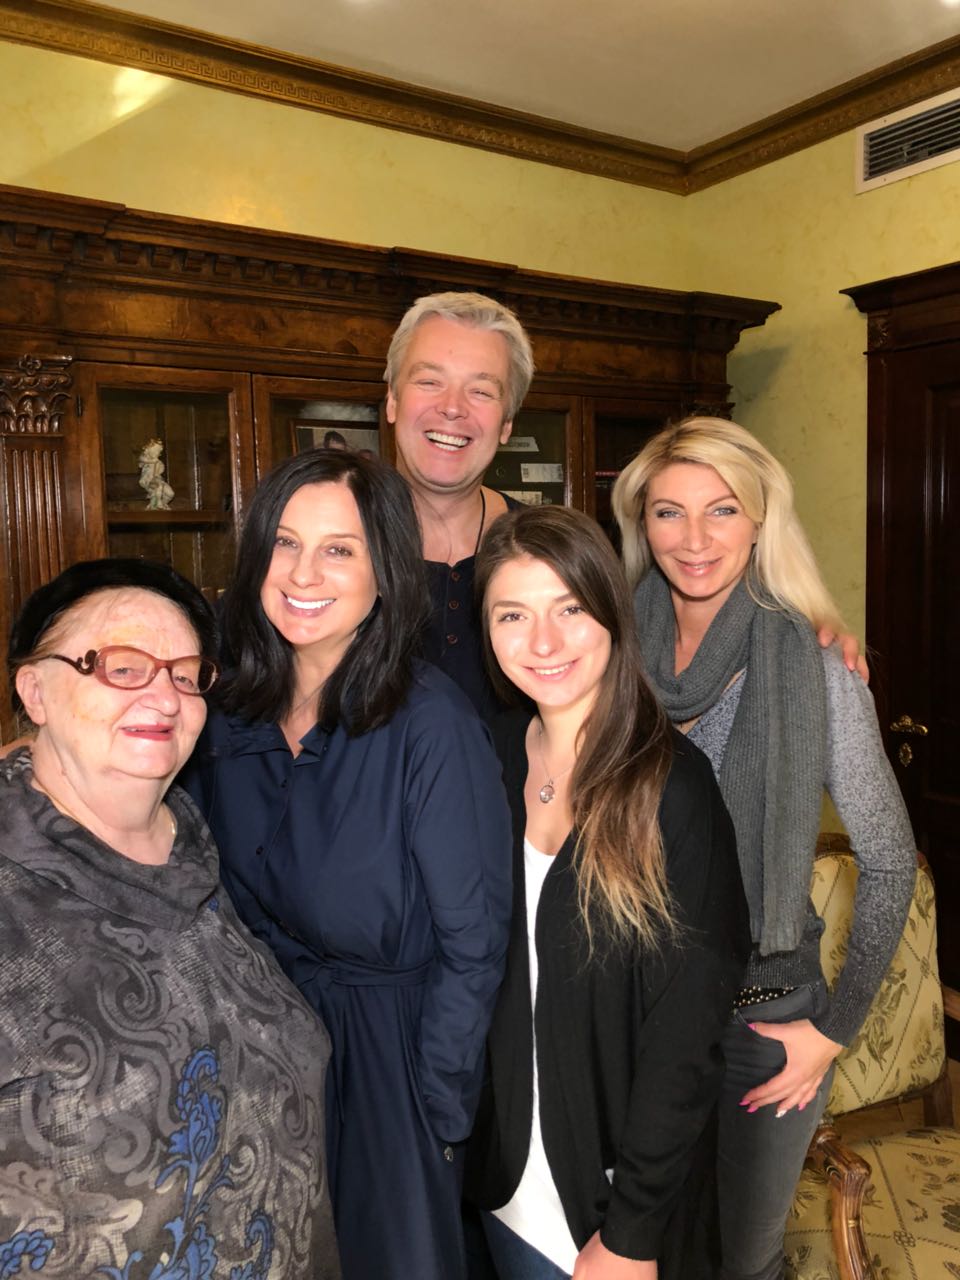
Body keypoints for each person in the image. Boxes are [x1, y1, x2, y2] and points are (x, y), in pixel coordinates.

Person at [180, 448, 513, 1280]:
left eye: (339, 549)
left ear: (384, 571)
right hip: (267, 1053)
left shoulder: (431, 725)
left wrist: (435, 1108)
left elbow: (476, 944)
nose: (303, 573)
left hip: (390, 1065)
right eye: (285, 544)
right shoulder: (227, 710)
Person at [611, 416, 916, 1280]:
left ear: (759, 520)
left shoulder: (814, 662)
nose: (695, 539)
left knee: (741, 1262)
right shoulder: (607, 649)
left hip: (765, 1019)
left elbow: (890, 859)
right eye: (669, 512)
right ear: (641, 523)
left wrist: (833, 1030)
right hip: (633, 1004)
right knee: (639, 1247)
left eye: (722, 510)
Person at [0, 558, 339, 1279]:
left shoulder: (194, 844)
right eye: (122, 667)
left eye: (185, 675)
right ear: (35, 691)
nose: (164, 696)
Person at [465, 504, 750, 1280]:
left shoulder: (672, 791)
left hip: (609, 1212)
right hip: (500, 1182)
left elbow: (686, 1041)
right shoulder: (486, 758)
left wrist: (632, 1234)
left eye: (569, 609)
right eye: (512, 614)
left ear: (612, 615)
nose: (543, 642)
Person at [384, 291, 535, 719]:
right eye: (429, 382)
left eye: (481, 391)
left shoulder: (548, 552)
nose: (452, 408)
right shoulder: (325, 548)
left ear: (506, 424)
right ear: (392, 400)